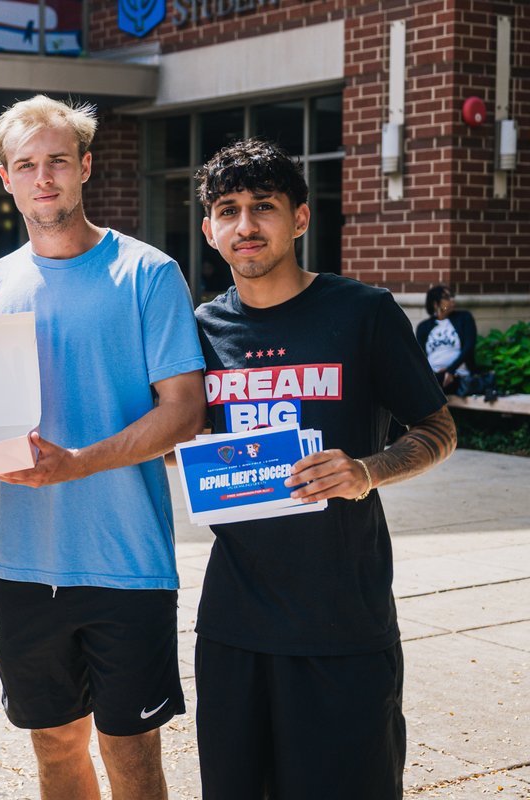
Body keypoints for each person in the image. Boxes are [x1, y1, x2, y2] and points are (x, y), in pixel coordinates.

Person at [192, 137, 456, 800]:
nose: (246, 225)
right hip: (234, 622)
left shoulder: (363, 312)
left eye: (264, 207)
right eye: (229, 210)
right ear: (209, 229)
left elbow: (438, 429)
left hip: (343, 617)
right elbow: (178, 433)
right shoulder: (199, 328)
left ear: (301, 218)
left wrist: (365, 470)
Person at [0, 95, 207, 800]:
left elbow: (185, 412)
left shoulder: (148, 274)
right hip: (19, 562)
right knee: (53, 749)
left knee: (133, 758)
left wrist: (76, 464)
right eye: (26, 166)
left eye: (57, 162)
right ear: (6, 178)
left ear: (85, 169)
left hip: (125, 563)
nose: (43, 178)